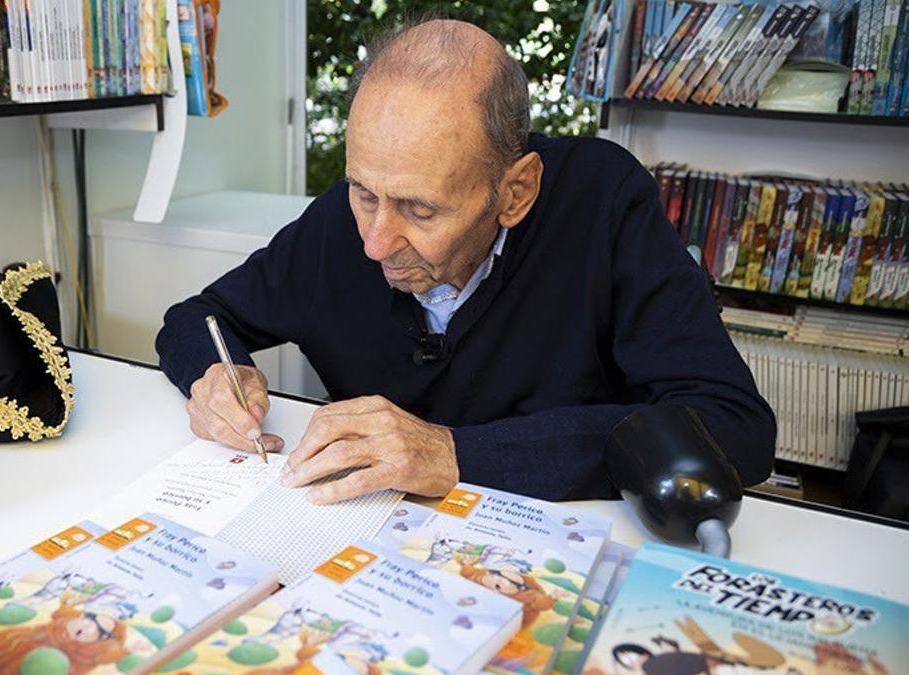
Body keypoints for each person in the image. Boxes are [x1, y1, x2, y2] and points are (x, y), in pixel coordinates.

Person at [155, 19, 775, 504]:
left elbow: (734, 429)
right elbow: (198, 318)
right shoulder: (344, 223)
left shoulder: (604, 203)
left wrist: (455, 453)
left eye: (420, 211)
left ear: (515, 193)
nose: (375, 242)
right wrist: (216, 378)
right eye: (363, 192)